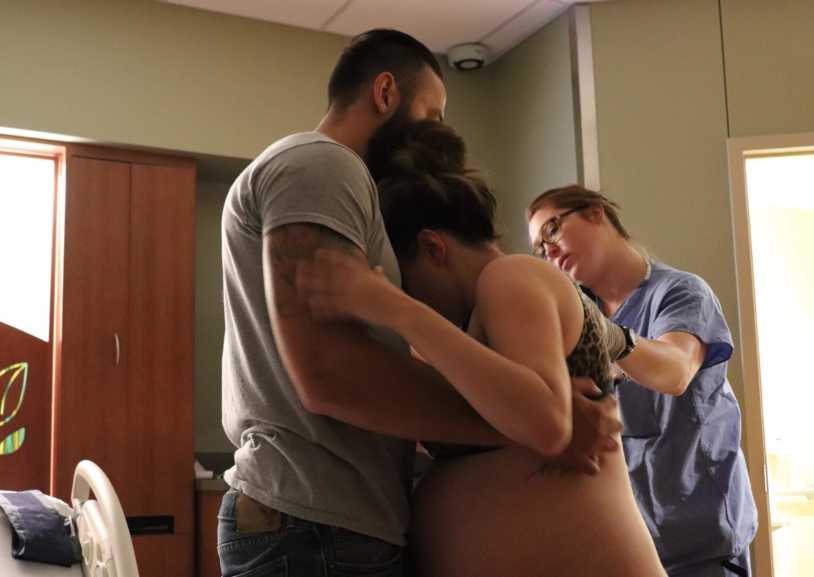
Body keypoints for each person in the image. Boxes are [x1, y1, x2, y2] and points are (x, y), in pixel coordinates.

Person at [219, 30, 620, 577]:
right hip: (312, 525)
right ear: (386, 92)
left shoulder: (336, 179)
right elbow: (330, 374)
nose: (440, 133)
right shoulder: (322, 164)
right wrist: (533, 423)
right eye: (434, 113)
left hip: (323, 525)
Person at [299, 120, 667, 577]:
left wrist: (394, 308)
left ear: (433, 248)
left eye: (408, 283)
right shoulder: (469, 332)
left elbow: (546, 423)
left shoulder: (512, 277)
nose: (413, 297)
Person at [527, 185, 758, 577]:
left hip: (701, 547)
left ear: (597, 213)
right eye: (538, 248)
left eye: (551, 230)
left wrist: (611, 337)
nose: (548, 251)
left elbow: (675, 372)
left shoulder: (681, 294)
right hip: (627, 549)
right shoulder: (575, 318)